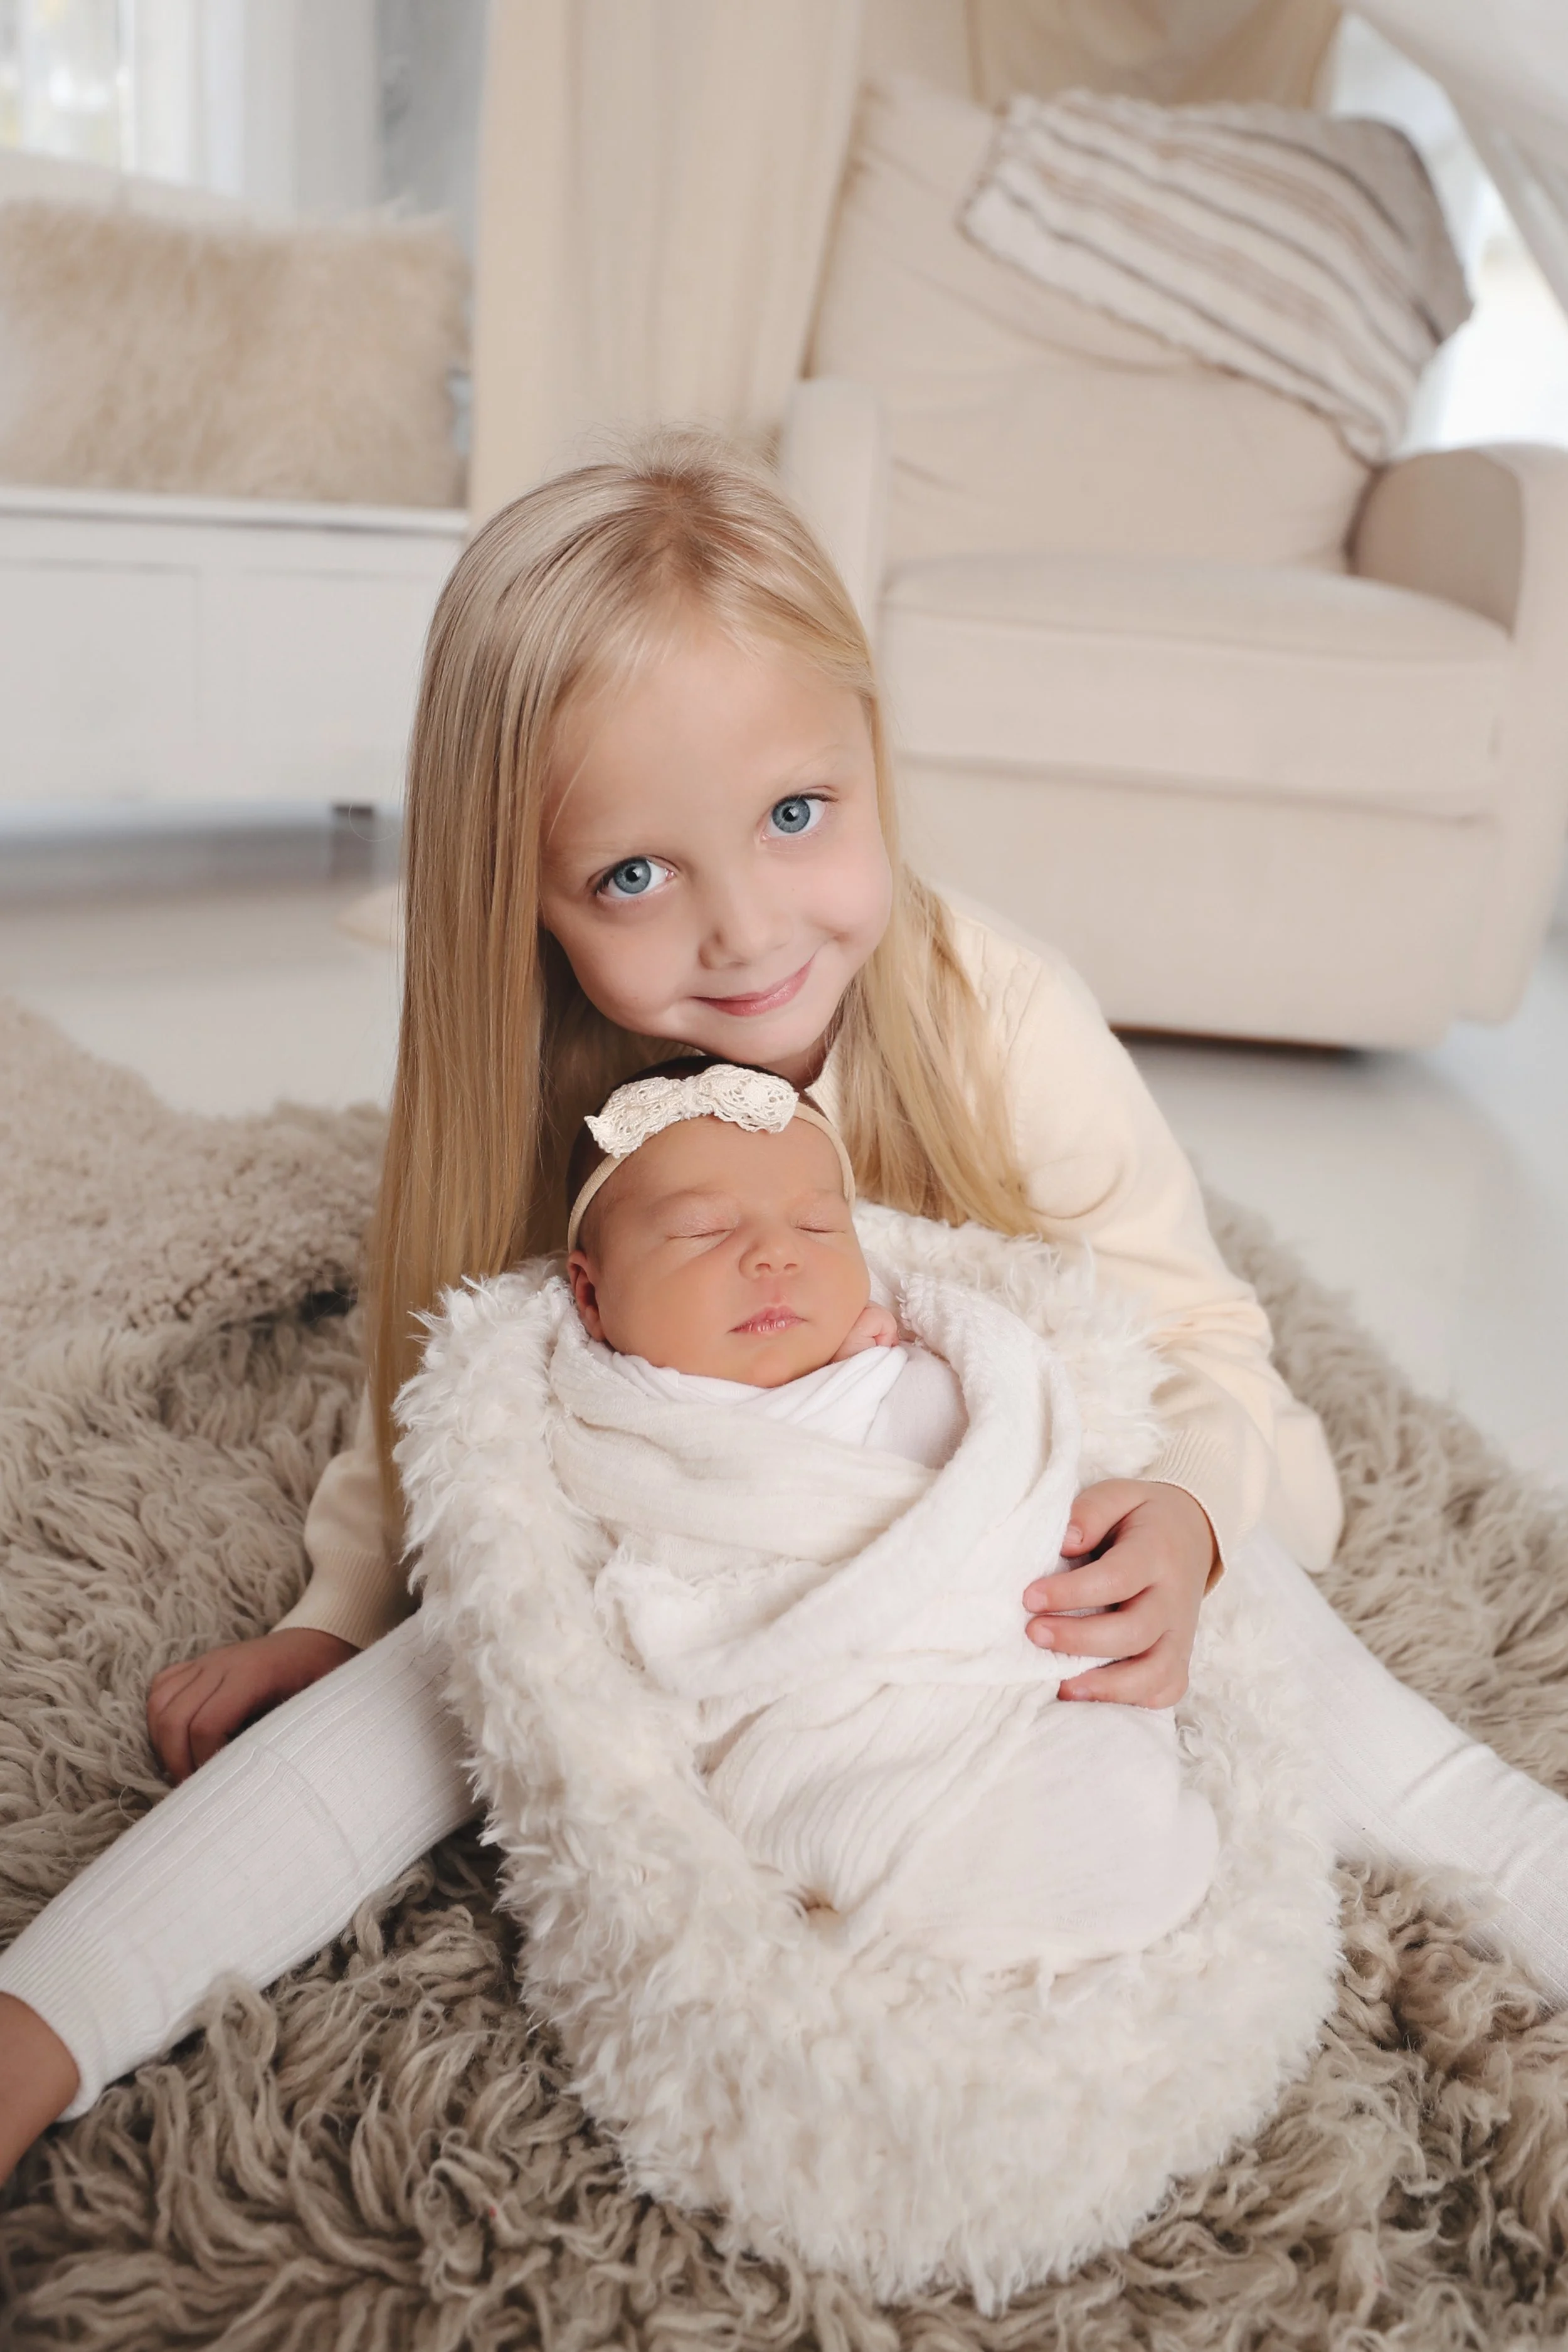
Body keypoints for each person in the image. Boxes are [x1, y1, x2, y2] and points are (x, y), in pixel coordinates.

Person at [2, 430, 1566, 2175]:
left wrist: (1188, 1514)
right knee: (437, 1678)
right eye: (633, 876)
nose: (745, 935)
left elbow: (1195, 1334)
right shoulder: (532, 1068)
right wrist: (337, 1603)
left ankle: (1525, 1862)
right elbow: (453, 1391)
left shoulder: (996, 1016)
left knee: (1263, 1622)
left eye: (796, 817)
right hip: (707, 1549)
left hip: (987, 1516)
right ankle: (52, 2014)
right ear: (522, 894)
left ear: (871, 763)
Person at [553, 1054, 1219, 1970]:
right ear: (591, 1295)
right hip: (821, 1737)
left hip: (1006, 1672)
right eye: (704, 1230)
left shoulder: (909, 1372)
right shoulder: (613, 1432)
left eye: (818, 1224)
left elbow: (1012, 1494)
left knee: (1139, 1741)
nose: (776, 1253)